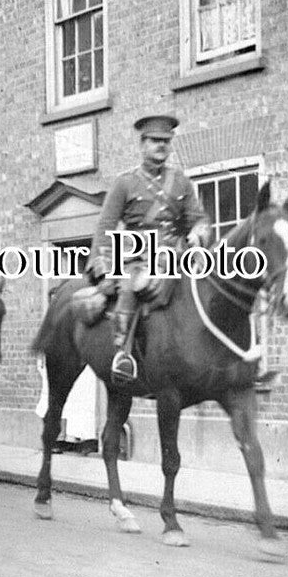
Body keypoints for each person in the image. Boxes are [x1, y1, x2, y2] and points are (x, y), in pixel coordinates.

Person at [89, 114, 209, 383]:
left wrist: (197, 235)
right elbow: (106, 225)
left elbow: (198, 219)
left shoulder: (181, 182)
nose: (161, 146)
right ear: (142, 144)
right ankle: (123, 354)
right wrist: (103, 268)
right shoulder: (125, 183)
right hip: (136, 257)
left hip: (173, 257)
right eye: (155, 141)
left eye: (166, 141)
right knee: (134, 285)